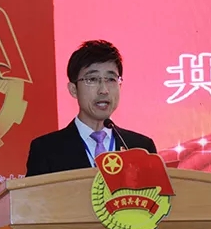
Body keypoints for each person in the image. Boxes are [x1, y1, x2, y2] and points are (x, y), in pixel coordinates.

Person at [25, 40, 157, 177]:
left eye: (111, 79)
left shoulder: (141, 148)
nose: (104, 90)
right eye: (92, 79)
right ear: (73, 89)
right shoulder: (46, 150)